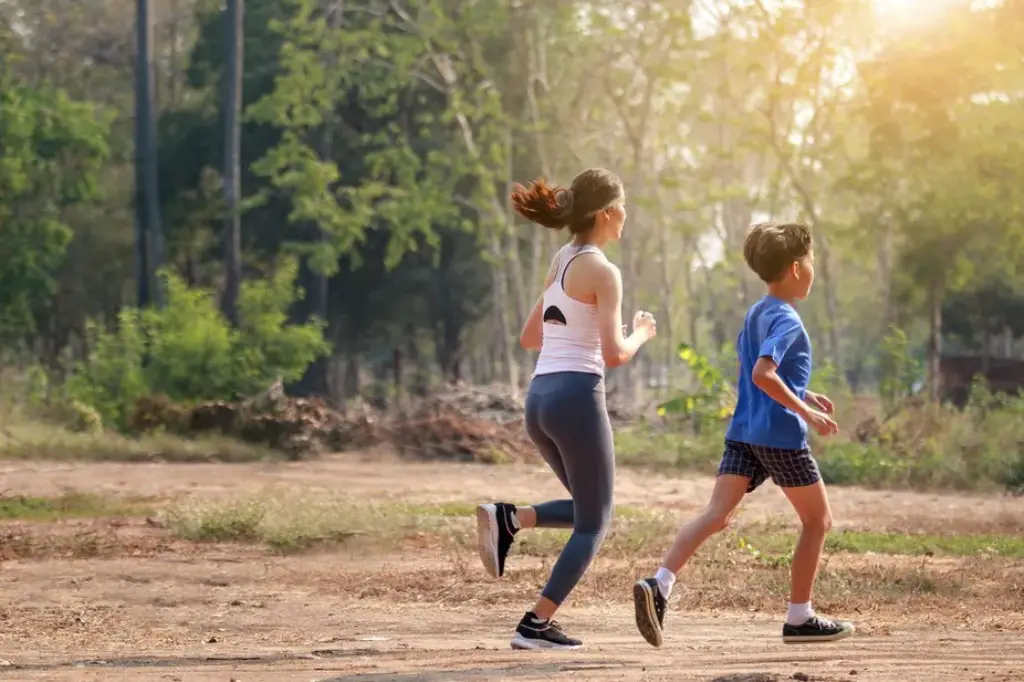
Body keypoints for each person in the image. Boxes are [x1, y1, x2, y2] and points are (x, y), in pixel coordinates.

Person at [632, 221, 854, 648]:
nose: (812, 269)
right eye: (810, 262)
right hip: (780, 437)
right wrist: (805, 410)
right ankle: (799, 617)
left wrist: (805, 391)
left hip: (744, 433)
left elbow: (761, 375)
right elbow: (763, 373)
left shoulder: (757, 312)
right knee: (817, 520)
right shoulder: (788, 320)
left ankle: (659, 584)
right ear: (794, 268)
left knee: (716, 515)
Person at [474, 168, 657, 651]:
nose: (626, 220)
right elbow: (615, 354)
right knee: (596, 522)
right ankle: (535, 624)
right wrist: (641, 331)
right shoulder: (603, 270)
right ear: (607, 213)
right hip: (576, 397)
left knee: (587, 509)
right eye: (624, 210)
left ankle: (511, 518)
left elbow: (530, 337)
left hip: (539, 400)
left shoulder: (562, 259)